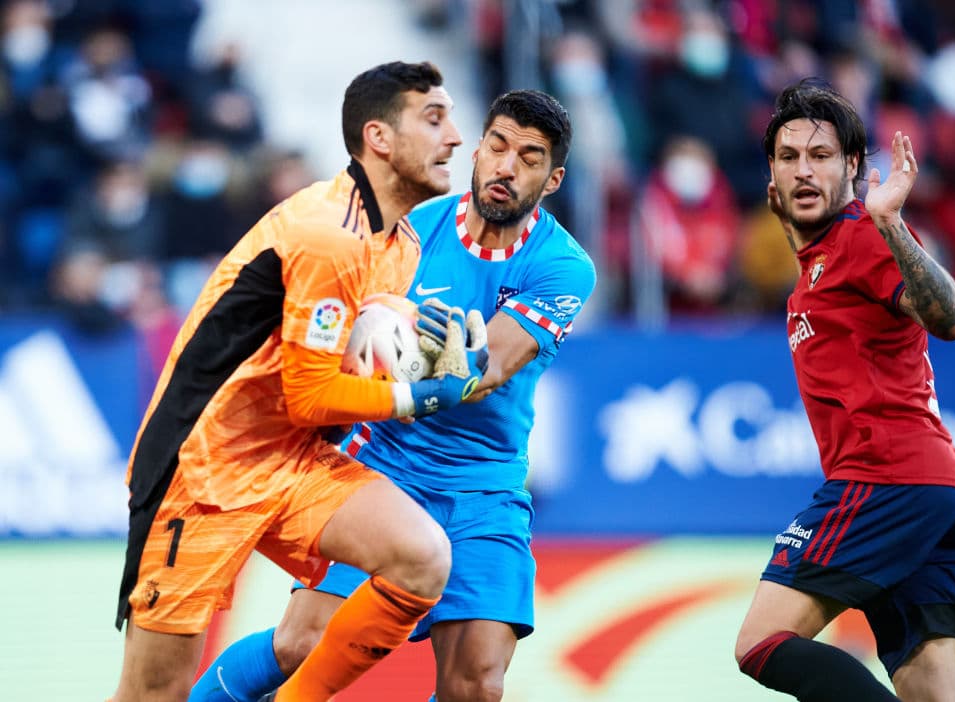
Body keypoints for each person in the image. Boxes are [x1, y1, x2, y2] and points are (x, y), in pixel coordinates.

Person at [190, 89, 595, 702]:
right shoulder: (410, 227)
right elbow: (335, 329)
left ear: (554, 177)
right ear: (478, 148)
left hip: (485, 487)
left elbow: (486, 370)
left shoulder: (564, 266)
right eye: (498, 146)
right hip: (384, 466)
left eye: (530, 157)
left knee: (477, 686)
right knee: (303, 642)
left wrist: (396, 339)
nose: (508, 167)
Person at [110, 60, 490, 702]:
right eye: (435, 118)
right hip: (202, 472)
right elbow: (309, 395)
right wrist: (419, 394)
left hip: (292, 458)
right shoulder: (327, 236)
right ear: (379, 138)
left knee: (420, 557)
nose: (457, 137)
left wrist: (424, 345)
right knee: (154, 694)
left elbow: (358, 353)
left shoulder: (398, 244)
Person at [734, 79, 955, 702]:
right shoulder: (815, 264)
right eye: (789, 157)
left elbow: (952, 319)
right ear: (770, 175)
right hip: (943, 493)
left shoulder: (864, 236)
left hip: (887, 476)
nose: (803, 170)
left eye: (821, 156)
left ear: (852, 166)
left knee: (760, 643)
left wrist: (891, 224)